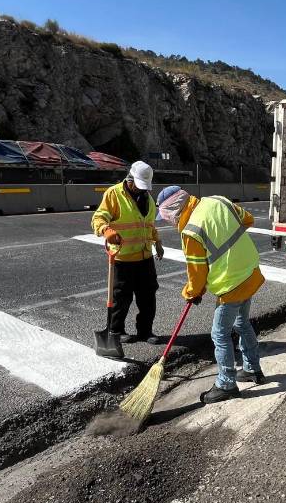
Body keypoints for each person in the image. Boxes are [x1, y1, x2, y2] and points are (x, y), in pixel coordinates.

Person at [156, 185, 265, 403]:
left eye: (168, 218)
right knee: (242, 322)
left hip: (230, 283)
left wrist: (191, 292)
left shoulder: (191, 231)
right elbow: (248, 219)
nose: (171, 223)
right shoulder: (218, 200)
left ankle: (226, 384)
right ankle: (252, 369)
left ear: (175, 211)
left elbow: (197, 274)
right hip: (249, 272)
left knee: (219, 334)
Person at [91, 161, 165, 344]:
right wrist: (107, 231)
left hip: (145, 257)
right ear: (130, 179)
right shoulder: (114, 194)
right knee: (121, 297)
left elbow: (149, 225)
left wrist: (158, 242)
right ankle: (116, 330)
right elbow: (98, 218)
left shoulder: (147, 199)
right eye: (139, 185)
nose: (141, 189)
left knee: (148, 297)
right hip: (123, 258)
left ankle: (145, 331)